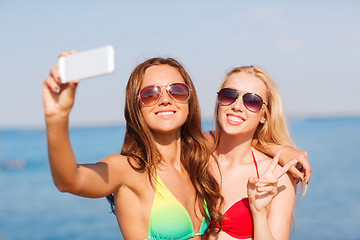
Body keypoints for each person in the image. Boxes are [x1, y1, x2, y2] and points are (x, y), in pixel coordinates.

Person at [42, 55, 223, 239]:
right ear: (136, 106)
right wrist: (57, 116)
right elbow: (70, 180)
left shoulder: (202, 149)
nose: (165, 99)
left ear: (189, 100)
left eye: (176, 90)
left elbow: (249, 136)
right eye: (151, 94)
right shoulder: (129, 170)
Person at [209, 66, 303, 239]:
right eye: (229, 95)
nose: (237, 106)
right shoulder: (192, 157)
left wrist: (259, 213)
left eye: (252, 101)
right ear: (219, 101)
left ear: (264, 116)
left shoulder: (278, 175)